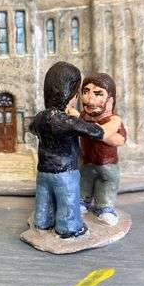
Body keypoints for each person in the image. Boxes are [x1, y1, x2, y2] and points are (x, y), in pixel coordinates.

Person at [29, 62, 122, 238]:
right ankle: (69, 228)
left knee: (44, 200)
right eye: (79, 92)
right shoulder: (67, 121)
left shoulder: (41, 116)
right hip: (65, 172)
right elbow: (99, 132)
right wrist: (115, 121)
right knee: (68, 201)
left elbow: (32, 128)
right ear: (71, 94)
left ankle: (42, 222)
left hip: (43, 172)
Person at [79, 73, 126, 226]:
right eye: (86, 92)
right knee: (84, 181)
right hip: (86, 161)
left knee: (107, 183)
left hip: (107, 163)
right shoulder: (83, 117)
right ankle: (83, 201)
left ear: (110, 100)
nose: (89, 99)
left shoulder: (113, 120)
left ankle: (105, 207)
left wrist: (97, 133)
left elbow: (120, 139)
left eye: (98, 94)